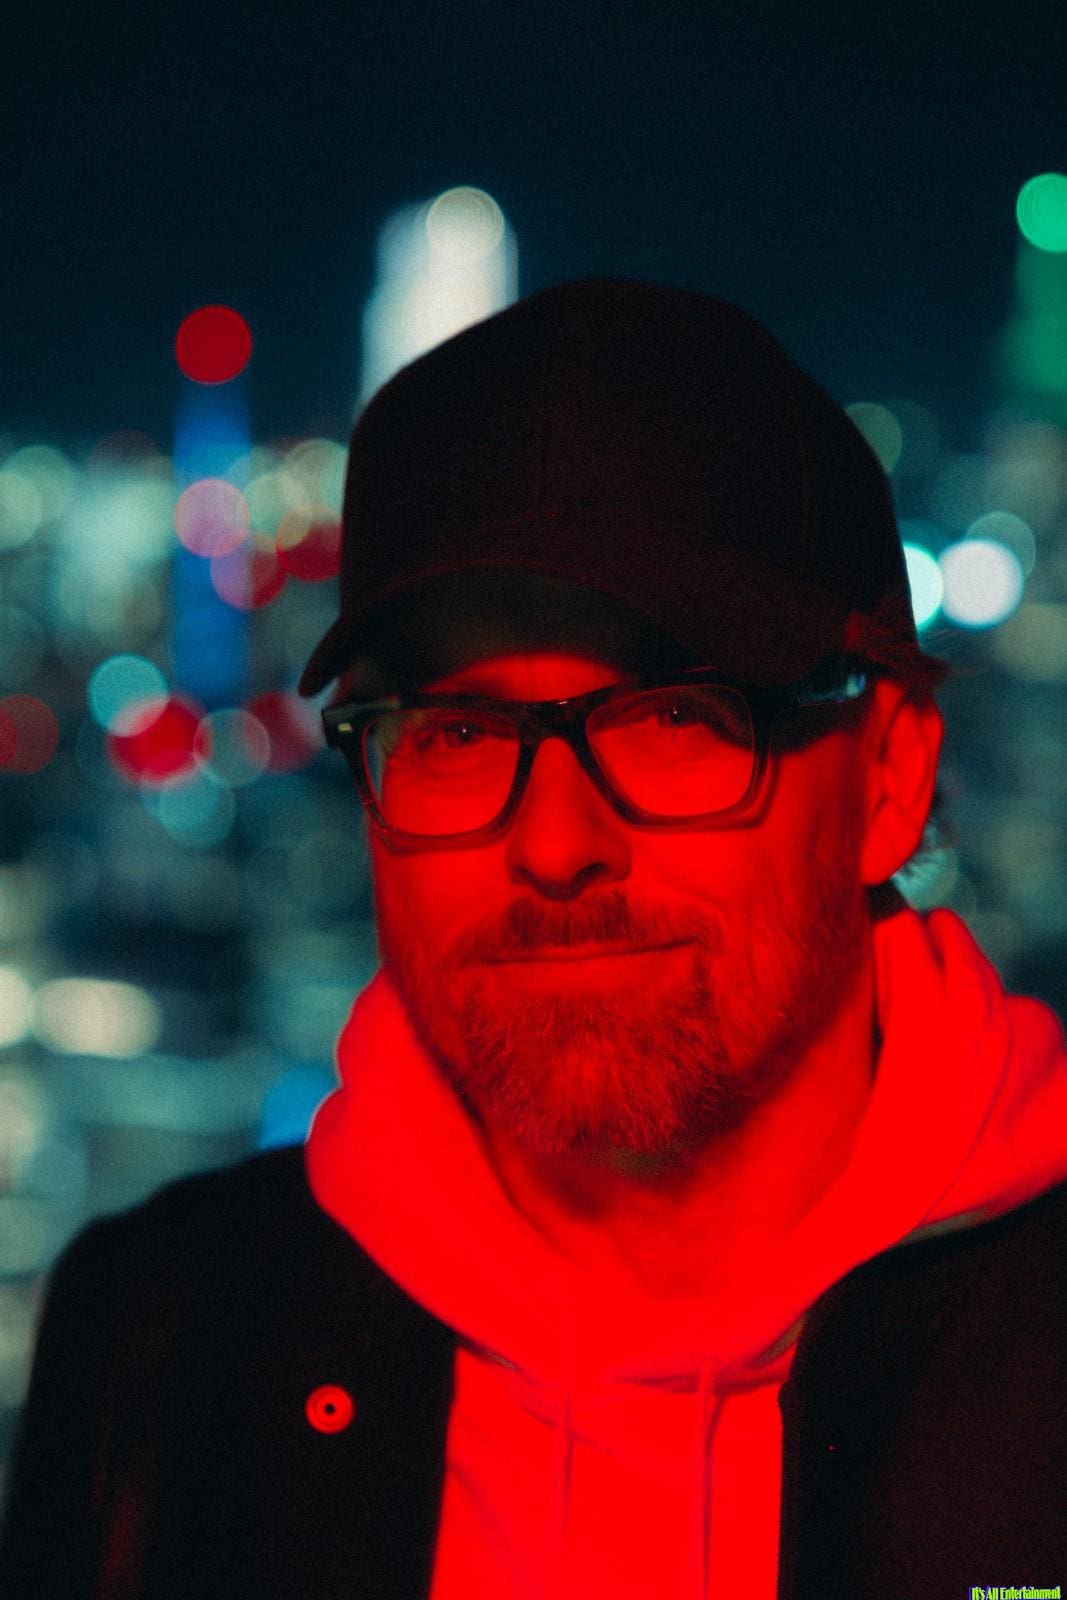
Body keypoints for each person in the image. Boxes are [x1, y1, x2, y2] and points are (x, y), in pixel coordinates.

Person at [2, 278, 1065, 1600]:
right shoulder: (161, 1348)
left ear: (890, 779)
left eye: (675, 717)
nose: (557, 843)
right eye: (456, 733)